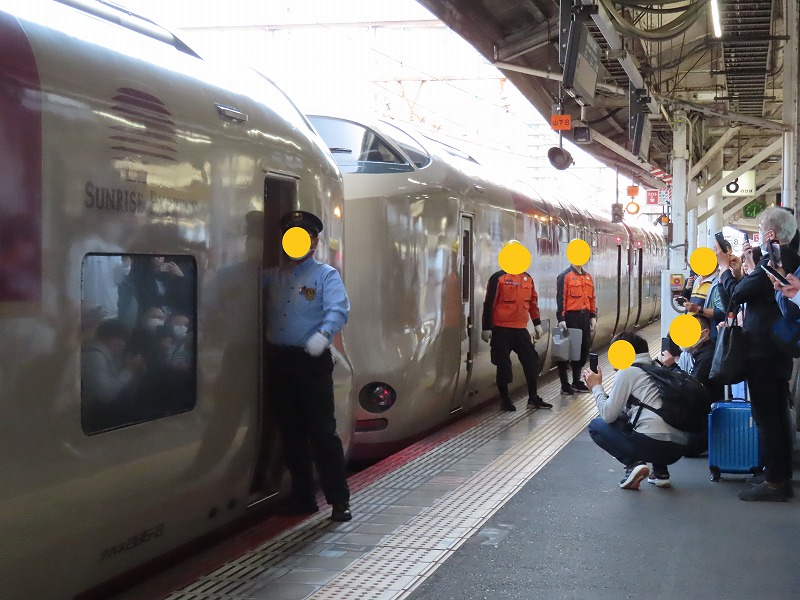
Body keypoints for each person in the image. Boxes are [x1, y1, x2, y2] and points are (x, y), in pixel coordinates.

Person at [263, 210, 352, 521]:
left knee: (322, 432)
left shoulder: (326, 275)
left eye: (304, 237)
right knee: (291, 432)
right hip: (281, 360)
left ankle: (339, 501)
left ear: (314, 242)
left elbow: (339, 310)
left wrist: (323, 335)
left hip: (311, 360)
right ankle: (304, 498)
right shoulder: (273, 276)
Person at [715, 206, 798, 501]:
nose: (758, 236)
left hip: (763, 351)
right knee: (778, 414)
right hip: (776, 350)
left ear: (771, 235)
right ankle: (779, 474)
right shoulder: (787, 259)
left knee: (768, 415)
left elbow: (737, 294)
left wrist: (726, 270)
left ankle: (775, 482)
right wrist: (746, 270)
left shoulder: (775, 261)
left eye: (760, 230)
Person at [585, 332, 690, 489]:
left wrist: (596, 387)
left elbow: (608, 415)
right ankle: (660, 473)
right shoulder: (659, 368)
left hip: (652, 445)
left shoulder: (628, 372)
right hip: (678, 448)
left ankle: (634, 465)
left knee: (596, 426)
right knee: (644, 415)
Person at [480, 262, 550, 411]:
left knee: (532, 361)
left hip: (520, 329)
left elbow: (532, 303)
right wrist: (486, 327)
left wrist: (537, 323)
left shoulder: (527, 278)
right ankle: (505, 400)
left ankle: (533, 397)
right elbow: (489, 304)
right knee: (503, 365)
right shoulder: (498, 278)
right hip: (501, 329)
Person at [556, 259, 597, 394]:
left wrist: (592, 316)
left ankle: (576, 381)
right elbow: (561, 298)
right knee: (564, 352)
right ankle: (564, 384)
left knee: (582, 350)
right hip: (569, 318)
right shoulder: (564, 276)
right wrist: (561, 318)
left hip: (584, 318)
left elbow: (592, 298)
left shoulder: (588, 277)